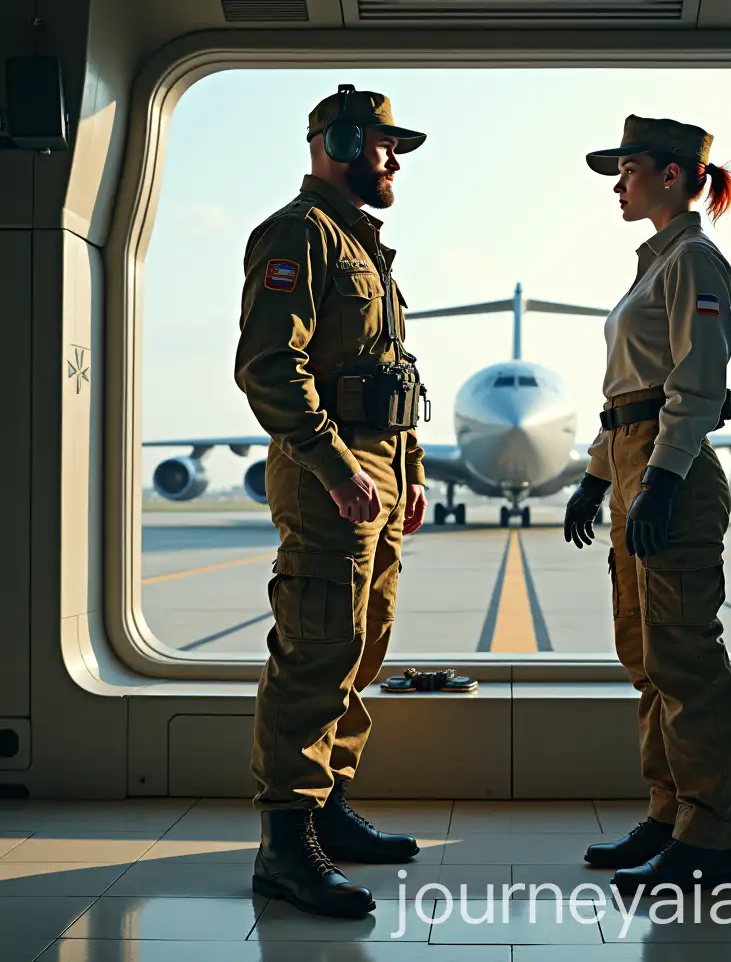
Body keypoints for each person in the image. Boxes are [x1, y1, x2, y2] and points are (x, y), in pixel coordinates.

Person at [234, 85, 430, 918]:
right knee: (316, 648)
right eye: (383, 145)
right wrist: (335, 465)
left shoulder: (364, 246)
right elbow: (270, 367)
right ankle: (285, 846)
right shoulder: (299, 235)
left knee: (362, 644)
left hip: (378, 469)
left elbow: (391, 370)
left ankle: (328, 808)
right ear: (337, 143)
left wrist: (409, 468)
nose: (392, 163)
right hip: (331, 475)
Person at [563, 114, 731, 894]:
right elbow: (626, 397)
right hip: (633, 458)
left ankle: (709, 841)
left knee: (685, 663)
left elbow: (695, 384)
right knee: (645, 659)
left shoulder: (694, 261)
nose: (618, 184)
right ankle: (669, 815)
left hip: (672, 470)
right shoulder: (656, 263)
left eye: (627, 169)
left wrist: (662, 481)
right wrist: (596, 477)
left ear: (672, 175)